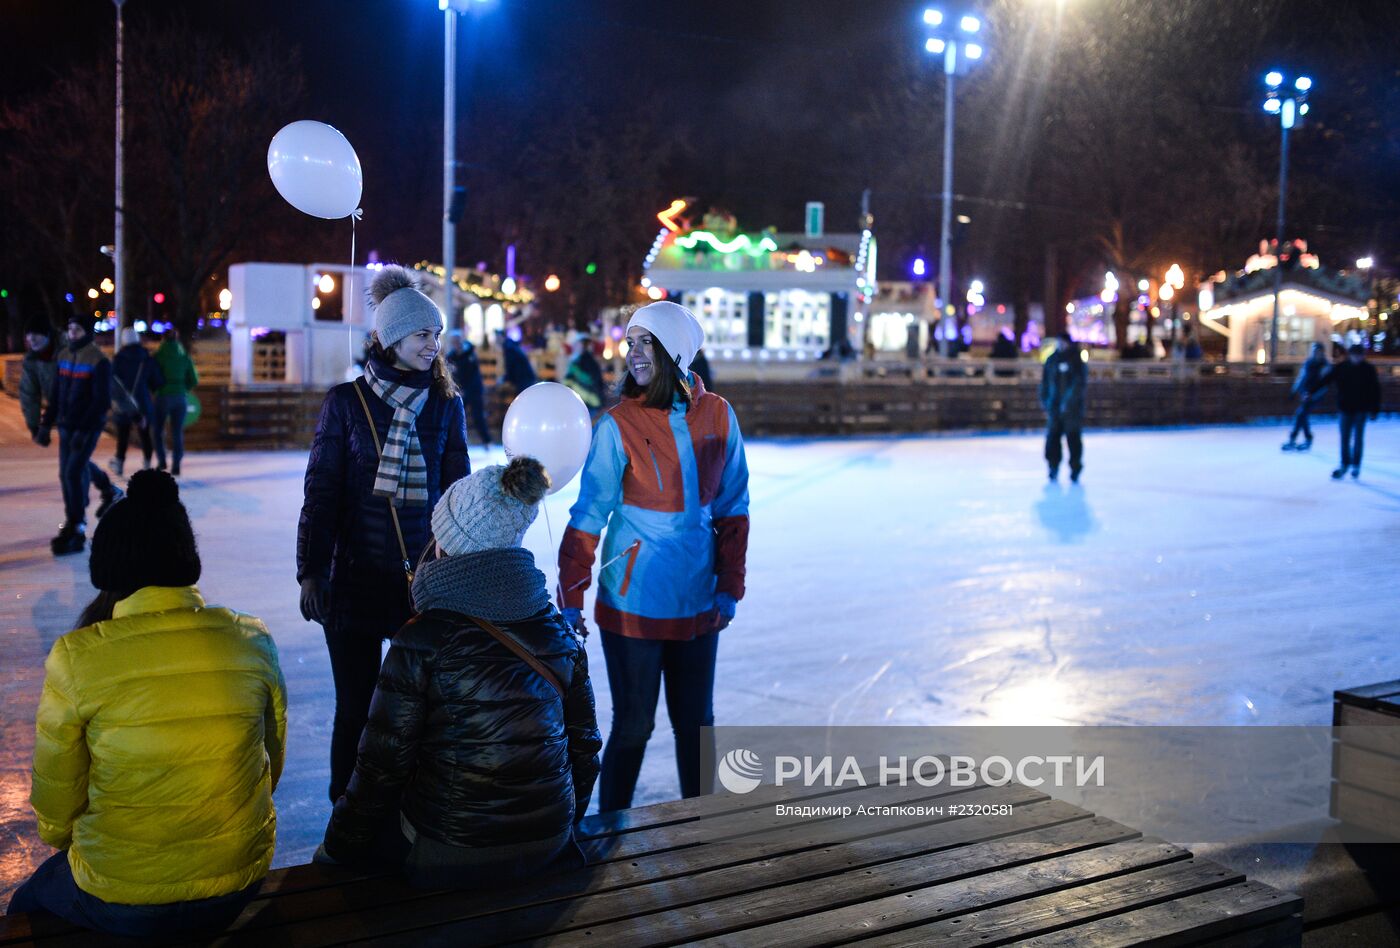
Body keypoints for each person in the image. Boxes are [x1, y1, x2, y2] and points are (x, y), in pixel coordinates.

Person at [7, 470, 287, 939]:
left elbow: (56, 805)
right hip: (235, 880)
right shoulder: (250, 641)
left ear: (110, 568)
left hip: (123, 896)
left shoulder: (80, 657)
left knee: (25, 903)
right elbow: (269, 766)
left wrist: (73, 842)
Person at [319, 457, 601, 888]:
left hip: (452, 851)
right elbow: (584, 751)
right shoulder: (557, 632)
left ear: (446, 544)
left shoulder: (424, 638)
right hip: (549, 843)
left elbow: (380, 769)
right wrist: (555, 827)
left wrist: (335, 849)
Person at [559, 301, 750, 811]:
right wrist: (572, 596)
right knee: (633, 726)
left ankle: (699, 829)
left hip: (698, 598)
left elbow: (734, 506)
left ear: (676, 351)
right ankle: (608, 830)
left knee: (696, 725)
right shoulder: (617, 425)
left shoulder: (718, 416)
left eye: (647, 341)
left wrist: (730, 584)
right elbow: (587, 515)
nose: (634, 352)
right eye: (632, 342)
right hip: (634, 602)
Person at [298, 265, 470, 802]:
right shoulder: (346, 404)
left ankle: (408, 810)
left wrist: (458, 571)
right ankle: (344, 813)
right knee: (355, 708)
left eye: (436, 335)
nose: (432, 345)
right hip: (351, 582)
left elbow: (456, 493)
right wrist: (310, 570)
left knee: (417, 708)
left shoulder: (445, 404)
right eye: (423, 334)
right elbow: (322, 493)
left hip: (421, 583)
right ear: (392, 337)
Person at [36, 314, 120, 556]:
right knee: (69, 472)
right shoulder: (63, 356)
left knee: (73, 471)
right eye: (70, 328)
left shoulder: (98, 360)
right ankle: (109, 491)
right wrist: (46, 424)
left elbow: (101, 400)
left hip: (87, 427)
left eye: (77, 329)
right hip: (66, 425)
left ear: (87, 332)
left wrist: (84, 429)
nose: (72, 333)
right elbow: (55, 395)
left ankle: (77, 525)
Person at [1312, 343, 1381, 479]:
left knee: (1358, 439)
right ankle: (1345, 463)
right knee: (1345, 438)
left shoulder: (1368, 369)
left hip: (1361, 409)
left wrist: (1374, 409)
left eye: (1359, 356)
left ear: (1362, 356)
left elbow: (1375, 390)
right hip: (1345, 408)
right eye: (1355, 356)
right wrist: (1311, 391)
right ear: (1350, 356)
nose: (1357, 358)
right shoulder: (1342, 367)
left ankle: (1356, 465)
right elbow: (1326, 380)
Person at [109, 327, 163, 475]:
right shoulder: (147, 359)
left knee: (123, 435)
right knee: (145, 434)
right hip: (143, 403)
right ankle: (147, 464)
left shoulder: (118, 359)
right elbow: (157, 381)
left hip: (124, 403)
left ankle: (119, 464)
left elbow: (112, 382)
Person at [1040, 330, 1087, 482]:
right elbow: (1045, 383)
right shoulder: (1052, 360)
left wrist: (1069, 402)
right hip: (1054, 407)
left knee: (1073, 439)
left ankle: (1075, 468)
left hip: (1071, 409)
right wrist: (1046, 401)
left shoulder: (1076, 360)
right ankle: (1053, 466)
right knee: (1052, 438)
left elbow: (1079, 384)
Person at [152, 329, 199, 476]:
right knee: (177, 432)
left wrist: (156, 390)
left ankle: (161, 460)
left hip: (162, 396)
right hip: (180, 397)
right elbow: (194, 379)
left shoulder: (158, 356)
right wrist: (184, 389)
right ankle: (176, 464)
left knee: (158, 430)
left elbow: (151, 376)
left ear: (163, 339)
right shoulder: (184, 356)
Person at [445, 329, 491, 446]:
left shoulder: (470, 353)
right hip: (461, 391)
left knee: (478, 415)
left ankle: (487, 441)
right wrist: (459, 390)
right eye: (453, 342)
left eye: (457, 341)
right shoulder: (451, 357)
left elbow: (474, 375)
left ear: (461, 340)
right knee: (456, 415)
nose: (456, 344)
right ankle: (454, 441)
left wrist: (468, 390)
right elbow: (452, 375)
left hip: (474, 390)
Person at [1282, 342, 1328, 452]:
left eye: (1319, 352)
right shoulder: (1308, 363)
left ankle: (1295, 438)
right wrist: (1294, 391)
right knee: (1302, 415)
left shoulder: (1325, 365)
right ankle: (1307, 438)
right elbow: (1301, 377)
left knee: (1301, 414)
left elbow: (1324, 384)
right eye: (1315, 352)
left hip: (1314, 395)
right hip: (1305, 393)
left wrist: (1314, 395)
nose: (1317, 354)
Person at [562, 331, 607, 415]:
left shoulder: (582, 361)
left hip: (587, 402)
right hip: (588, 402)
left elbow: (569, 381)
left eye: (578, 344)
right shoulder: (585, 360)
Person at [494, 328, 538, 394]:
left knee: (523, 398)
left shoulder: (509, 348)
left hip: (524, 379)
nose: (496, 340)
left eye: (497, 337)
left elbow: (510, 366)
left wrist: (505, 379)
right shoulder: (511, 345)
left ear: (501, 337)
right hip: (525, 377)